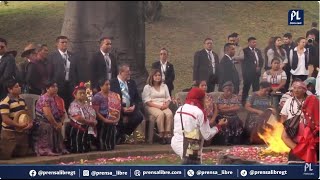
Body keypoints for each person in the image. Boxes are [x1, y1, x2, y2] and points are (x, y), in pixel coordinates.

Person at [171, 87, 227, 164]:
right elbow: (207, 135)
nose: (205, 101)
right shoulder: (199, 113)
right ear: (200, 99)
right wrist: (218, 126)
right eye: (204, 98)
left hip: (175, 143)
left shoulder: (179, 109)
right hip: (190, 147)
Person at [281, 81, 319, 163]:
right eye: (294, 88)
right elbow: (283, 116)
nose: (296, 90)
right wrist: (285, 126)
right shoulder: (289, 101)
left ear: (305, 90)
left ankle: (306, 154)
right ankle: (299, 152)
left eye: (299, 88)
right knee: (284, 136)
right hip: (292, 127)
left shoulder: (311, 100)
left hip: (308, 128)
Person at [32, 81, 69, 156]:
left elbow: (63, 112)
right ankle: (44, 150)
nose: (55, 88)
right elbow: (47, 114)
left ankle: (59, 149)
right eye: (53, 87)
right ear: (47, 89)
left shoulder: (59, 99)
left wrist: (60, 123)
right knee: (48, 126)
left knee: (58, 127)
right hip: (43, 120)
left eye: (56, 86)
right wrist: (55, 124)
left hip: (56, 120)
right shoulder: (44, 98)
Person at [109, 64, 143, 144]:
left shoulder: (132, 82)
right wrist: (122, 108)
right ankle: (118, 137)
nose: (129, 73)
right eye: (127, 72)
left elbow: (137, 98)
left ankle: (123, 134)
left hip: (130, 107)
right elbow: (111, 99)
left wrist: (134, 106)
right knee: (118, 118)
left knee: (139, 116)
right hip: (118, 108)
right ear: (121, 72)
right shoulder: (112, 83)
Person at [0, 79, 33, 159]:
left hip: (21, 132)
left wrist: (30, 123)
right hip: (10, 133)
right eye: (16, 87)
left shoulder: (22, 100)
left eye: (19, 86)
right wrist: (18, 125)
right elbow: (5, 119)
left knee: (21, 155)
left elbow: (27, 113)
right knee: (5, 156)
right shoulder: (5, 102)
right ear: (9, 89)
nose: (19, 88)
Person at [48, 36, 81, 110]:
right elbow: (49, 72)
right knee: (59, 105)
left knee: (71, 105)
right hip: (58, 86)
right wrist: (51, 84)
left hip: (71, 85)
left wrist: (77, 85)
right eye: (62, 42)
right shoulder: (52, 56)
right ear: (57, 44)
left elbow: (77, 71)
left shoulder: (73, 56)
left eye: (66, 42)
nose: (64, 44)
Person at [142, 69, 173, 144]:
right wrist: (159, 107)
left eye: (159, 75)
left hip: (163, 105)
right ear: (152, 77)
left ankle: (167, 135)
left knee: (169, 114)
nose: (158, 77)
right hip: (152, 106)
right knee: (160, 114)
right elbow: (147, 101)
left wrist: (166, 105)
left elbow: (168, 98)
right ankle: (161, 135)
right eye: (155, 75)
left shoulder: (164, 86)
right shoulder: (147, 87)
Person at [66, 82, 97, 153]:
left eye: (84, 93)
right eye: (80, 93)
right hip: (77, 127)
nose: (83, 95)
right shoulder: (73, 105)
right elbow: (78, 118)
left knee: (85, 145)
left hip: (87, 126)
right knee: (77, 145)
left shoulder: (86, 105)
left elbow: (92, 113)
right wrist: (90, 122)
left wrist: (94, 121)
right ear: (75, 95)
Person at [92, 79, 121, 151]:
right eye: (106, 84)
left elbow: (118, 108)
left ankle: (110, 145)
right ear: (101, 86)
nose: (108, 86)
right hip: (102, 117)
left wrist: (117, 118)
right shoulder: (97, 97)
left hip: (113, 116)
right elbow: (96, 111)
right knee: (105, 129)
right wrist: (105, 119)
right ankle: (103, 146)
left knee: (112, 130)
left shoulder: (114, 95)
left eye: (109, 84)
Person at [242, 37, 264, 105]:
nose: (255, 43)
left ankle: (255, 103)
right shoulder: (245, 51)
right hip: (248, 74)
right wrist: (254, 67)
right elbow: (246, 62)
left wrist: (259, 67)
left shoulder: (258, 50)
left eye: (255, 42)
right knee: (246, 88)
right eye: (253, 42)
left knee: (256, 89)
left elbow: (261, 60)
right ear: (249, 43)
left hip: (256, 74)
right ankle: (243, 102)